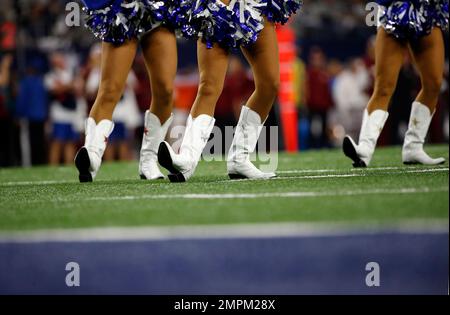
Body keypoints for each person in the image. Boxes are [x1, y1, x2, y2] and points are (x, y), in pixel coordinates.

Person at [158, 0, 303, 182]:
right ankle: (187, 159)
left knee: (269, 85)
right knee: (209, 85)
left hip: (255, 4)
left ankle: (239, 159)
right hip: (216, 4)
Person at [74, 0, 193, 182]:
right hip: (122, 8)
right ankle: (92, 156)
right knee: (110, 88)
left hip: (157, 8)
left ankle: (148, 160)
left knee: (166, 91)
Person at [343, 0, 448, 167]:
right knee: (384, 86)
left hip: (428, 10)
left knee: (434, 83)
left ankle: (413, 147)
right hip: (396, 10)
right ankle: (364, 149)